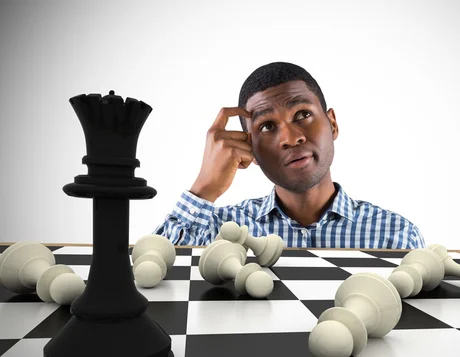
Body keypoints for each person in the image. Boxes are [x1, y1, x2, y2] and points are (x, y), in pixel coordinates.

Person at [152, 61, 425, 249]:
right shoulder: (219, 232)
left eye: (303, 114)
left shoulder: (395, 236)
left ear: (332, 124)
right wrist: (204, 188)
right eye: (267, 126)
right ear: (251, 149)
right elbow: (149, 279)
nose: (291, 138)